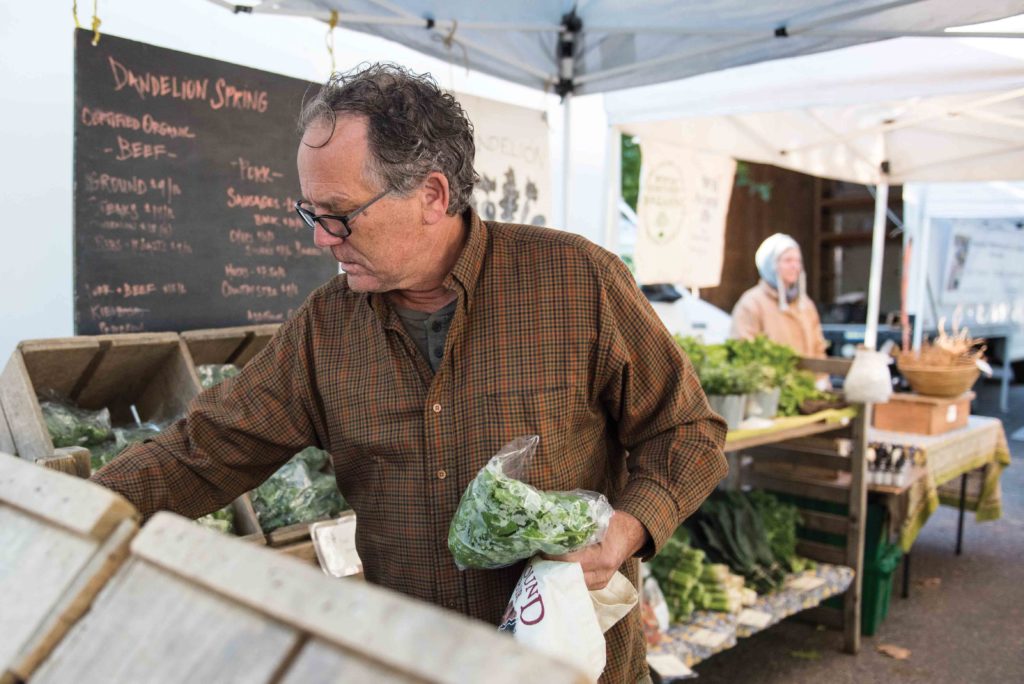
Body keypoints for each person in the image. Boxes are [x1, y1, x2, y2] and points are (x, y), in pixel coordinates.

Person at [91, 64, 727, 683]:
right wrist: (69, 506)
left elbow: (687, 432)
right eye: (310, 213)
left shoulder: (575, 282)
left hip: (572, 664)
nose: (322, 239)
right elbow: (205, 450)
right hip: (416, 664)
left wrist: (628, 526)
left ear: (432, 195)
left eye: (339, 213)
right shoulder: (326, 328)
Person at [730, 233, 827, 358]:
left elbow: (818, 349)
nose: (795, 266)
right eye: (788, 260)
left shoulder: (805, 305)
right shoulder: (752, 303)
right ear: (770, 264)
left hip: (806, 378)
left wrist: (821, 377)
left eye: (798, 261)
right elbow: (743, 350)